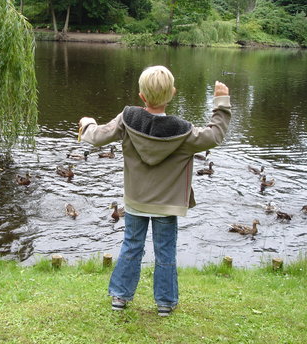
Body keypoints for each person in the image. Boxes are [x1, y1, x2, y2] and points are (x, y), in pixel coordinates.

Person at [78, 65, 231, 317]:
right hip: (167, 205)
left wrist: (87, 124)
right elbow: (215, 135)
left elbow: (97, 136)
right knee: (165, 251)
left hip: (136, 201)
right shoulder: (185, 132)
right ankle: (165, 303)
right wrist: (221, 102)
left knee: (131, 246)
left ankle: (120, 296)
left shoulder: (127, 119)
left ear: (141, 96)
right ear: (172, 93)